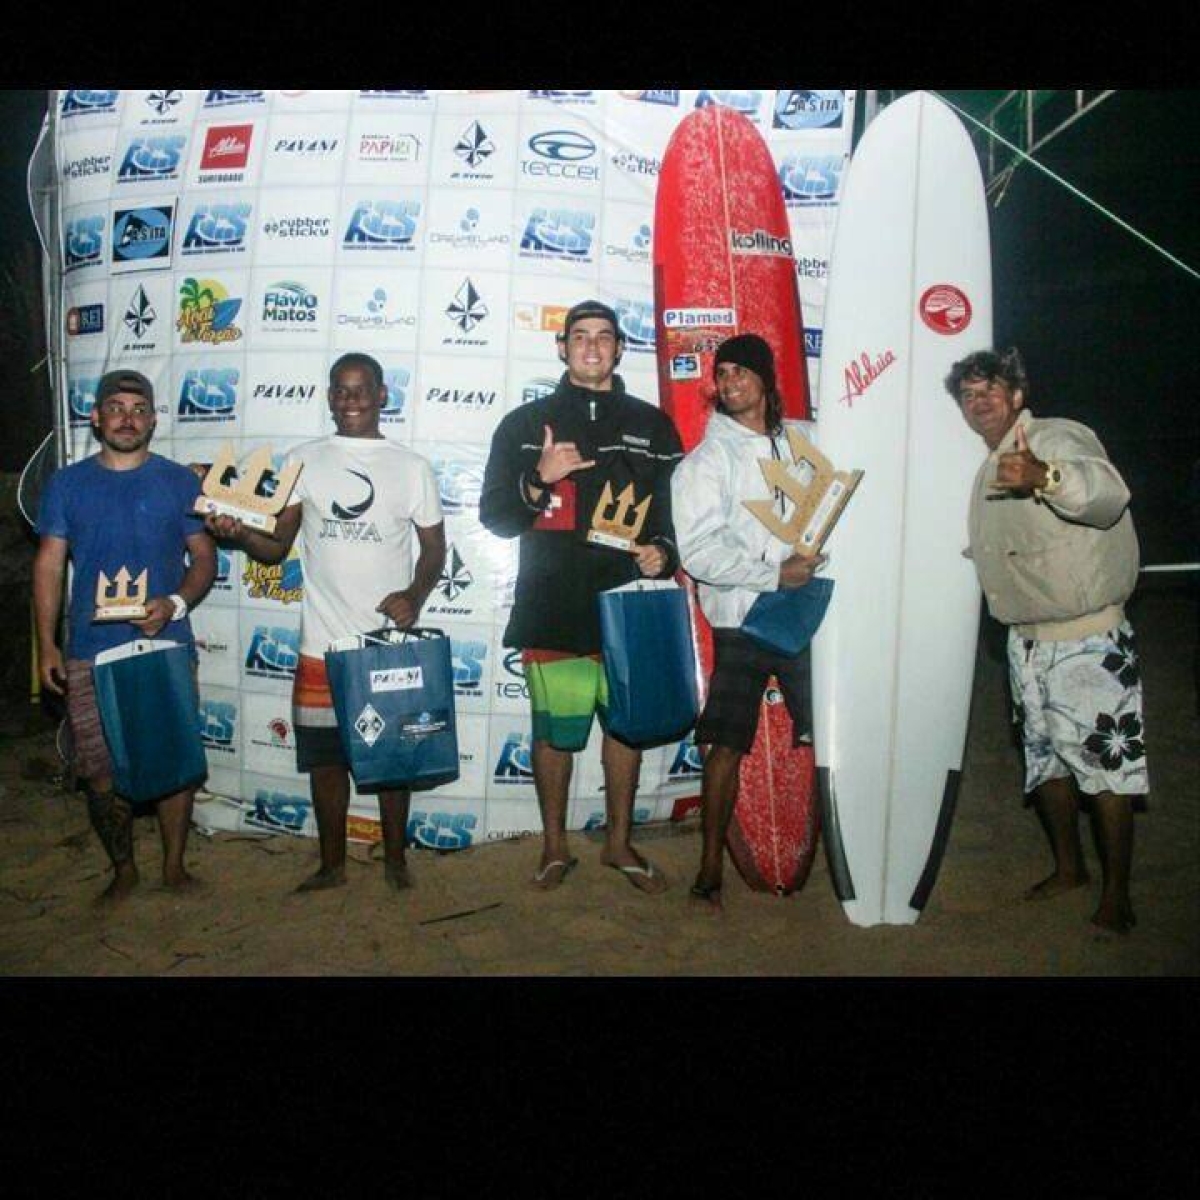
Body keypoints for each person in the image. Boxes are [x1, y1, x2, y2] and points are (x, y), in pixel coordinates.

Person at [207, 353, 445, 893]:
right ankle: (332, 865)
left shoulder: (411, 467)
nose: (351, 400)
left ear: (384, 394)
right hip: (321, 643)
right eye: (340, 390)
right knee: (325, 763)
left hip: (387, 646)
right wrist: (238, 533)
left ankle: (395, 862)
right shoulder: (305, 460)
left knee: (395, 760)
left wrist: (415, 593)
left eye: (361, 390)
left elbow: (434, 550)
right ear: (329, 397)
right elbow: (274, 545)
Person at [480, 299, 683, 892]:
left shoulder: (653, 425)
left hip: (629, 608)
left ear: (620, 349)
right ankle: (554, 848)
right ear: (562, 348)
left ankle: (619, 845)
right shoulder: (524, 426)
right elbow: (495, 518)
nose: (592, 347)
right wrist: (537, 478)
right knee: (554, 733)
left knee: (625, 730)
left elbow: (675, 517)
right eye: (580, 337)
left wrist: (664, 552)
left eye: (604, 337)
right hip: (553, 607)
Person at [946, 347, 1146, 934]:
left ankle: (1118, 896)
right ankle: (1069, 869)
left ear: (1018, 396)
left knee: (1107, 772)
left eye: (991, 390)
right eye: (969, 395)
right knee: (1047, 766)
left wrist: (1046, 477)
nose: (980, 402)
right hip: (1026, 642)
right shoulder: (988, 464)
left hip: (1088, 637)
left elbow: (1106, 494)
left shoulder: (1057, 438)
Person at [33, 368, 217, 904]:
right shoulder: (67, 484)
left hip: (166, 644)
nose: (127, 418)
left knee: (174, 762)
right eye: (115, 407)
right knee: (98, 769)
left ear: (154, 419)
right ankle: (124, 869)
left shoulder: (180, 481)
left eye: (139, 409)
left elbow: (204, 557)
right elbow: (49, 566)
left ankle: (174, 867)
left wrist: (175, 603)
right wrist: (47, 643)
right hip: (91, 651)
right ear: (95, 416)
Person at [670, 334, 824, 912]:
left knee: (831, 738)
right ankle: (710, 868)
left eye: (741, 372)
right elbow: (700, 553)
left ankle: (845, 852)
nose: (731, 383)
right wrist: (771, 573)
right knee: (726, 747)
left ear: (765, 378)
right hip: (745, 617)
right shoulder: (705, 463)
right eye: (722, 373)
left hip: (809, 615)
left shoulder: (807, 440)